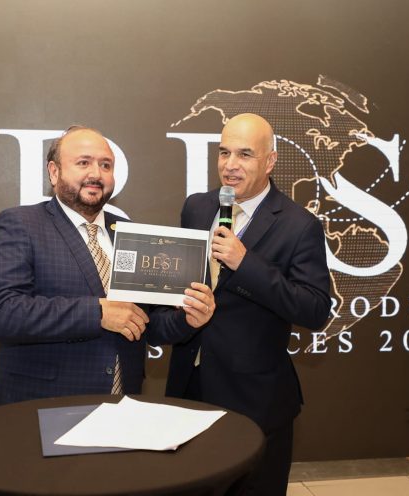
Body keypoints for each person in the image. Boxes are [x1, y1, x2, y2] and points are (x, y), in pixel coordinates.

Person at [0, 125, 214, 407]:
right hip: (44, 407)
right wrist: (98, 312)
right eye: (83, 163)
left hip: (121, 405)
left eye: (105, 165)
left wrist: (187, 319)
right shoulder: (22, 224)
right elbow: (1, 313)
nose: (96, 174)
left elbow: (145, 323)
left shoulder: (128, 232)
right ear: (54, 172)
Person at [166, 114, 331, 494]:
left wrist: (246, 264)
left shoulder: (298, 225)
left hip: (255, 400)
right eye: (224, 152)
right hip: (189, 386)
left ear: (270, 161)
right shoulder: (197, 207)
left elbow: (314, 310)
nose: (230, 165)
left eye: (244, 154)